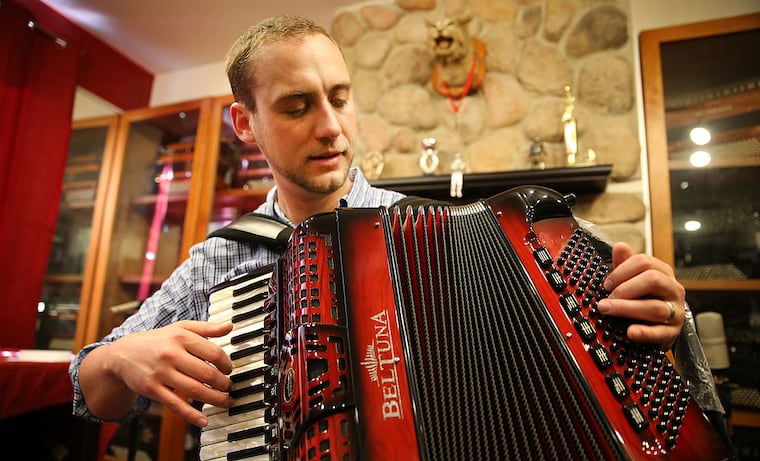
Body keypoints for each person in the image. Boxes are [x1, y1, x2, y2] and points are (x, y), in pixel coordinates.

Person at [70, 15, 694, 430]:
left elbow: (588, 353)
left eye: (339, 98)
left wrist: (652, 317)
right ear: (244, 123)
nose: (331, 127)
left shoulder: (447, 234)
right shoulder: (221, 259)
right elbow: (90, 387)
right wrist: (122, 358)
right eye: (297, 106)